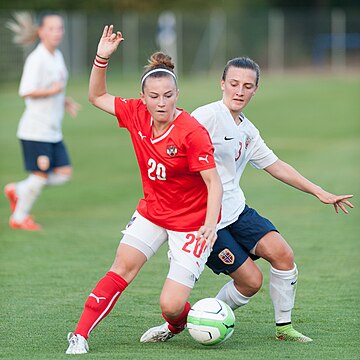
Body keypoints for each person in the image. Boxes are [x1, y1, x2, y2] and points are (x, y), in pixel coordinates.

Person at [142, 57, 354, 343]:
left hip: (237, 211)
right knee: (251, 282)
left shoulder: (247, 130)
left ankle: (284, 328)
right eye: (234, 84)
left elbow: (275, 165)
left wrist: (318, 191)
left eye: (247, 86)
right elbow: (173, 144)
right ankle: (187, 323)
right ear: (222, 84)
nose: (239, 91)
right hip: (207, 220)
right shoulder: (206, 117)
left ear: (255, 90)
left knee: (283, 254)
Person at [65, 25, 222, 354]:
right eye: (154, 96)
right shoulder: (135, 113)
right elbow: (95, 96)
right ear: (144, 98)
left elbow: (213, 182)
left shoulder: (191, 132)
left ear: (177, 95)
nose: (161, 102)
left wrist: (209, 223)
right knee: (122, 265)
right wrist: (101, 59)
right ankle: (79, 335)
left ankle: (176, 323)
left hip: (192, 223)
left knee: (171, 304)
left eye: (168, 95)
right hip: (153, 211)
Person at [4, 12, 81, 231]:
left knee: (64, 174)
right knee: (39, 176)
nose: (57, 33)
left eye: (60, 28)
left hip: (52, 130)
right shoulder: (36, 59)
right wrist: (52, 91)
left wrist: (63, 100)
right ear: (41, 31)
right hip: (35, 130)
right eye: (52, 28)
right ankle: (19, 218)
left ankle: (18, 189)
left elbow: (54, 88)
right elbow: (25, 91)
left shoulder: (56, 55)